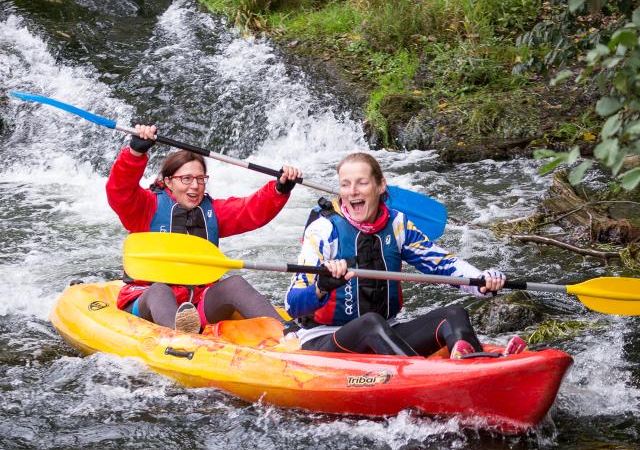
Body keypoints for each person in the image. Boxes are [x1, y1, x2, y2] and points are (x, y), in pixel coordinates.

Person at [285, 152, 526, 359]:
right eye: (345, 184)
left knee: (454, 314)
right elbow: (292, 304)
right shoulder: (324, 230)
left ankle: (476, 366)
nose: (352, 191)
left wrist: (481, 280)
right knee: (370, 322)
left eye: (362, 183)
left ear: (380, 186)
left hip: (386, 333)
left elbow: (441, 264)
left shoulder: (397, 224)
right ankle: (424, 377)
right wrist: (321, 287)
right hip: (325, 339)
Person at [106, 124, 301, 333]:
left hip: (196, 301)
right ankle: (182, 339)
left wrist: (279, 189)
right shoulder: (146, 207)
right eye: (186, 179)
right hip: (147, 301)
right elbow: (120, 191)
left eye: (200, 179)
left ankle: (287, 334)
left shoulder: (212, 212)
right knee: (160, 291)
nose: (195, 186)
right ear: (168, 182)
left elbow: (250, 211)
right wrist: (136, 153)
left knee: (234, 283)